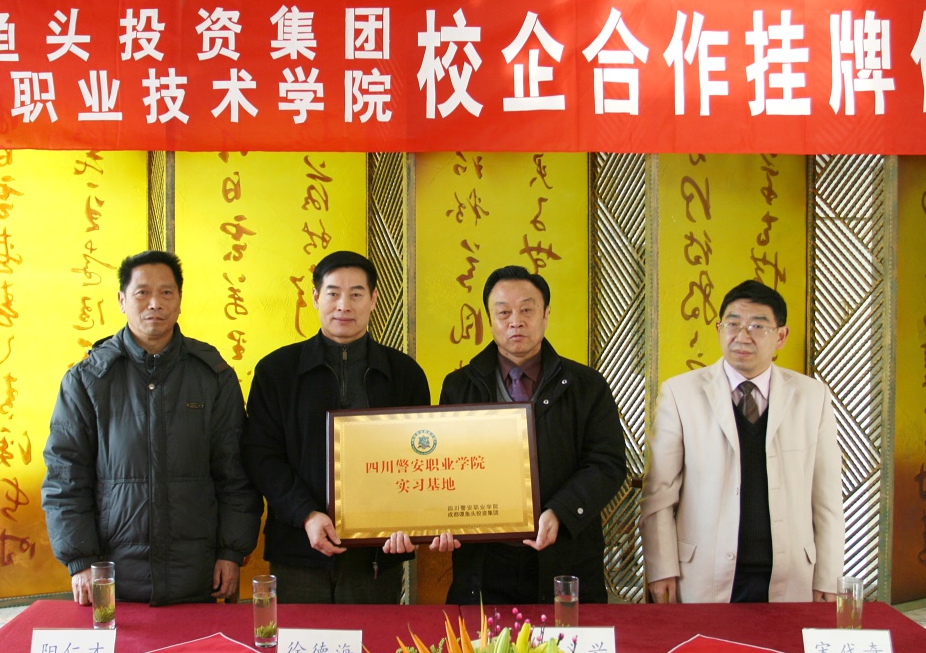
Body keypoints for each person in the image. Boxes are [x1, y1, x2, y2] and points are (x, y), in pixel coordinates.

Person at [395, 265, 627, 604]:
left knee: (564, 639)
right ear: (490, 320)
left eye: (527, 310)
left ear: (546, 315)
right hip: (485, 563)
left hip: (565, 552)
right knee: (482, 639)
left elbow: (607, 463)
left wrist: (562, 511)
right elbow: (445, 466)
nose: (515, 321)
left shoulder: (586, 386)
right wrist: (441, 518)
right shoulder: (460, 386)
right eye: (503, 312)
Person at [41, 250, 262, 606]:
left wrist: (231, 551)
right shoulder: (88, 379)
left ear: (179, 300)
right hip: (112, 575)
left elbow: (235, 472)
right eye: (142, 292)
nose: (154, 303)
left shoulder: (212, 375)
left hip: (197, 573)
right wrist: (80, 560)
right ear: (121, 300)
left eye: (166, 292)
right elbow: (65, 476)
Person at [241, 250, 430, 603]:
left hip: (377, 555)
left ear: (373, 299)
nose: (344, 305)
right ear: (316, 297)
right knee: (301, 639)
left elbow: (421, 456)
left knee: (374, 638)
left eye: (356, 294)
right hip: (298, 548)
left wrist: (409, 520)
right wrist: (305, 514)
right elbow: (261, 455)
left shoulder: (404, 374)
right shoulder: (277, 371)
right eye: (333, 293)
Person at [639, 280, 844, 603]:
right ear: (719, 329)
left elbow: (827, 497)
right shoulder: (681, 393)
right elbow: (659, 493)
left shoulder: (811, 396)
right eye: (732, 324)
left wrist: (829, 578)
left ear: (781, 336)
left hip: (791, 576)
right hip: (702, 575)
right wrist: (661, 568)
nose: (742, 336)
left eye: (758, 326)